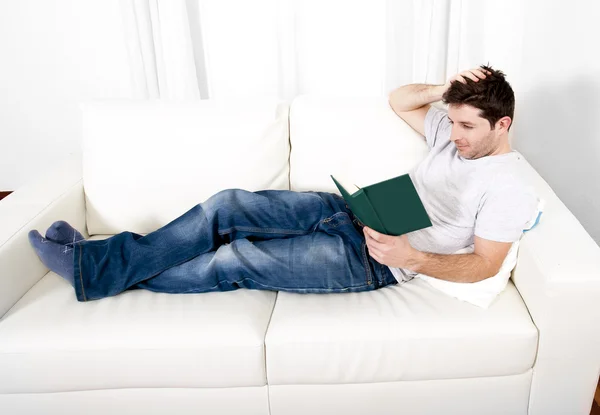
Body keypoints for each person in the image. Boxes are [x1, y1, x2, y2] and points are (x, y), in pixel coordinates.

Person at [28, 64, 538, 302]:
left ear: (503, 125)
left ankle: (92, 268)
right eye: (453, 120)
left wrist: (412, 259)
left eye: (468, 126)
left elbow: (485, 264)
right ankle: (97, 265)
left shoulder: (509, 184)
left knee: (235, 258)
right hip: (353, 210)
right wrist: (444, 90)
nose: (455, 134)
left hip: (378, 260)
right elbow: (399, 100)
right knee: (227, 206)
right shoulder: (454, 133)